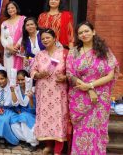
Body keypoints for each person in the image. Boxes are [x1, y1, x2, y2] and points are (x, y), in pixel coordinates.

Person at [66, 21, 119, 155]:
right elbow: (70, 74)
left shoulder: (104, 51)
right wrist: (88, 89)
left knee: (98, 130)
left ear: (93, 31)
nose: (84, 34)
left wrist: (91, 85)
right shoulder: (74, 52)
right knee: (82, 130)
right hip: (80, 97)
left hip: (101, 98)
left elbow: (110, 74)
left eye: (86, 31)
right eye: (80, 33)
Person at [31, 28, 69, 155]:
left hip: (59, 91)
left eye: (48, 37)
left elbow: (71, 71)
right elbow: (32, 72)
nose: (45, 40)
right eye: (43, 39)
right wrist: (38, 74)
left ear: (54, 39)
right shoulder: (39, 55)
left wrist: (65, 77)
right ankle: (49, 145)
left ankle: (58, 148)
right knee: (45, 118)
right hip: (43, 92)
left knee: (59, 117)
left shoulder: (64, 53)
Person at [10, 70, 38, 151]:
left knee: (24, 118)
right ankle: (26, 140)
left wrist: (30, 98)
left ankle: (33, 143)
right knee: (13, 122)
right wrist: (12, 91)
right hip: (21, 113)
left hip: (31, 114)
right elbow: (15, 105)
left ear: (27, 79)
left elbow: (33, 109)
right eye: (18, 80)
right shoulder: (16, 89)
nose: (20, 82)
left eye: (22, 79)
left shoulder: (32, 90)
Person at [0, 70, 19, 148]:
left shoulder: (12, 86)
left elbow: (16, 103)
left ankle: (8, 139)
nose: (0, 81)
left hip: (8, 110)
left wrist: (12, 91)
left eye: (2, 78)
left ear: (6, 78)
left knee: (4, 120)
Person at [0, 1, 26, 71]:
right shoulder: (4, 23)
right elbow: (2, 38)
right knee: (9, 70)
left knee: (20, 72)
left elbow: (25, 34)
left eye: (12, 7)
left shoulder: (23, 19)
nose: (11, 10)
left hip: (19, 50)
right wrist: (8, 47)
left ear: (16, 8)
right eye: (8, 9)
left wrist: (16, 46)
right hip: (8, 51)